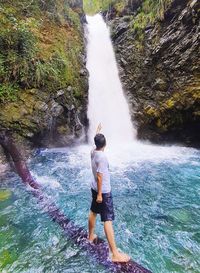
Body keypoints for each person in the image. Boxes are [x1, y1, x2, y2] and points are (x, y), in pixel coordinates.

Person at [88, 124, 130, 263]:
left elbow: (95, 143)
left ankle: (90, 236)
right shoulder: (103, 157)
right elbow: (100, 176)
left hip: (93, 187)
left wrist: (97, 131)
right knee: (107, 220)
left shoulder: (93, 152)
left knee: (93, 211)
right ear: (105, 144)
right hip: (103, 191)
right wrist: (100, 194)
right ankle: (114, 254)